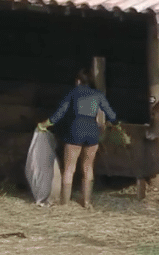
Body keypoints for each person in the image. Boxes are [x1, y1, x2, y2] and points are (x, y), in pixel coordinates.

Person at [37, 69, 121, 208]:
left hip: (76, 130)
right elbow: (111, 115)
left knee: (70, 168)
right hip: (93, 131)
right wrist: (116, 125)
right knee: (88, 167)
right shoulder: (98, 95)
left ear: (77, 81)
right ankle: (86, 202)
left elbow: (59, 114)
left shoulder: (73, 93)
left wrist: (44, 124)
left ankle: (64, 203)